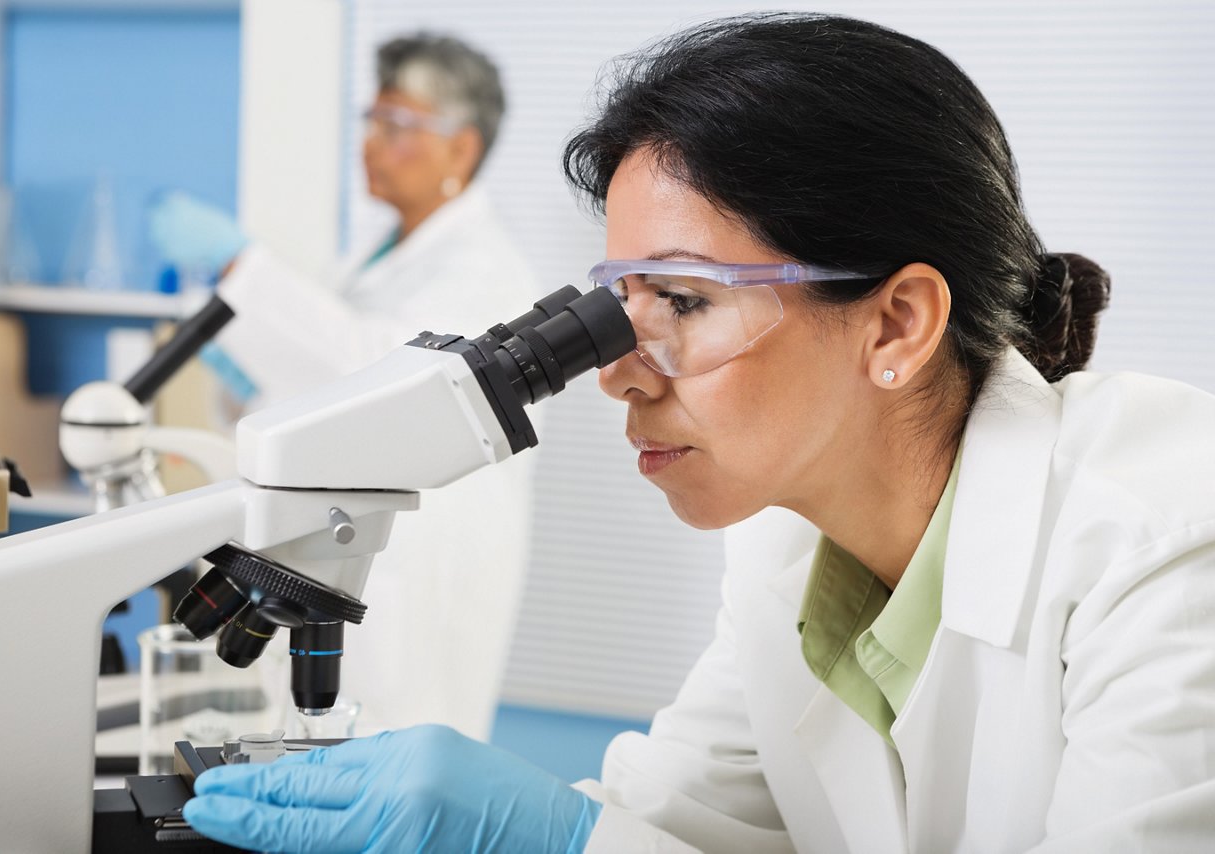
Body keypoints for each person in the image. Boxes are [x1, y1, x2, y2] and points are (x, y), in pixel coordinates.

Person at [180, 13, 1215, 853]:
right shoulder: (786, 547)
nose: (616, 375)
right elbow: (677, 824)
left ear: (895, 322)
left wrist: (557, 838)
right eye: (618, 308)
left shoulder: (1166, 541)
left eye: (681, 300)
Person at [150, 33, 539, 742]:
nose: (371, 143)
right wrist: (250, 383)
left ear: (461, 149)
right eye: (372, 120)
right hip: (344, 537)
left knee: (398, 746)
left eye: (398, 125)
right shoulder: (374, 250)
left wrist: (244, 266)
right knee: (314, 735)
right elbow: (323, 383)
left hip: (424, 558)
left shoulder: (486, 271)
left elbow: (384, 385)